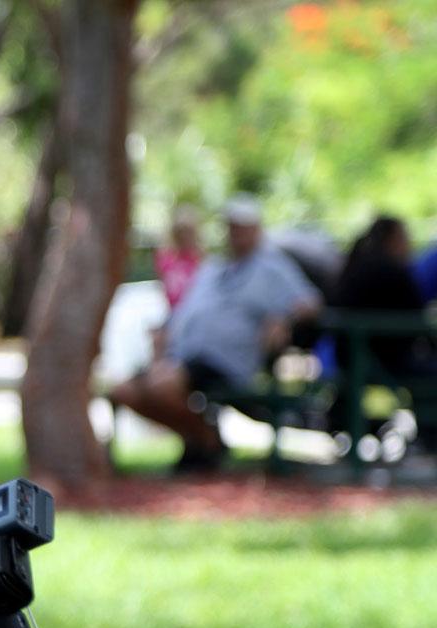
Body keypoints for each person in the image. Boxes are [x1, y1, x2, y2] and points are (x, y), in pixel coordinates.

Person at [109, 195, 322, 471]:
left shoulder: (273, 268)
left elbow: (310, 303)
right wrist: (164, 334)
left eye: (243, 227)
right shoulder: (213, 267)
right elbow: (185, 309)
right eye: (232, 226)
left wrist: (285, 319)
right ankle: (201, 437)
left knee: (161, 386)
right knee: (123, 391)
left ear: (256, 229)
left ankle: (207, 441)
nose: (236, 234)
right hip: (182, 355)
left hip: (224, 361)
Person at [334, 215, 430, 374]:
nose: (409, 245)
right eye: (405, 238)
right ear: (393, 239)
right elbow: (418, 316)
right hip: (380, 359)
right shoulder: (390, 270)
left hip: (352, 356)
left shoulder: (357, 261)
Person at [154, 203, 203, 310]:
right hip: (174, 312)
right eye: (180, 231)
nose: (184, 237)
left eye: (188, 232)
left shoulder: (201, 259)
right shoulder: (165, 258)